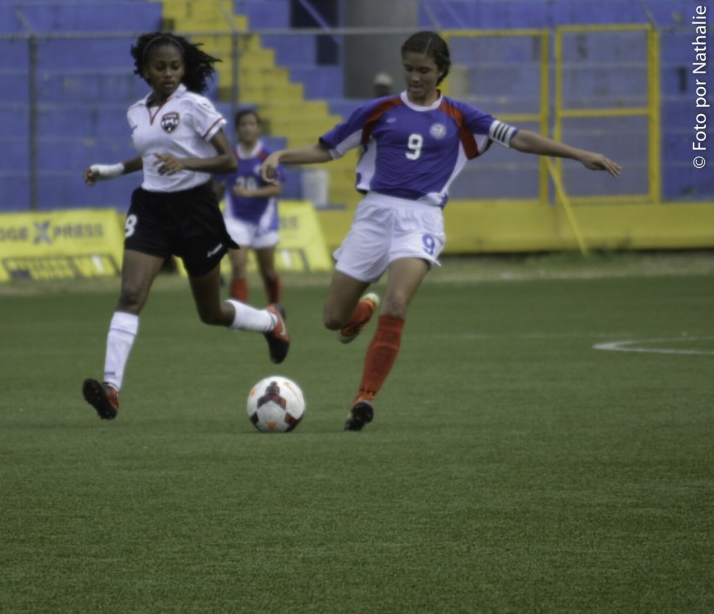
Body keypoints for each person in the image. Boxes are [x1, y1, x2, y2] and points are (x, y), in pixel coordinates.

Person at [259, 30, 621, 432]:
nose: (415, 77)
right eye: (409, 69)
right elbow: (328, 149)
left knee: (398, 303)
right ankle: (360, 313)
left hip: (422, 217)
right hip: (374, 214)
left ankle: (364, 398)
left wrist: (579, 154)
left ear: (441, 71)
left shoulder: (461, 116)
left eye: (424, 71)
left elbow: (518, 138)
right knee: (332, 319)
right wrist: (281, 155)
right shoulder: (377, 111)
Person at [81, 31, 290, 421]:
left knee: (210, 312)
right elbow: (150, 156)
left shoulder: (195, 105)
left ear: (183, 69)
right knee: (131, 294)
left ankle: (270, 321)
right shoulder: (135, 111)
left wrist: (186, 163)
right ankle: (111, 389)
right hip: (151, 209)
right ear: (145, 70)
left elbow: (228, 161)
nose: (168, 73)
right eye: (160, 67)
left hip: (196, 209)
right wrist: (109, 170)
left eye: (175, 67)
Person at [213, 108, 283, 305]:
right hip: (235, 218)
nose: (247, 128)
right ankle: (239, 313)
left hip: (264, 220)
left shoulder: (267, 157)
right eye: (243, 125)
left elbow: (276, 188)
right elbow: (217, 189)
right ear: (237, 129)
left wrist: (250, 193)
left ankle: (275, 308)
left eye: (251, 124)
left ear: (259, 128)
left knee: (268, 271)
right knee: (238, 266)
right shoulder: (230, 158)